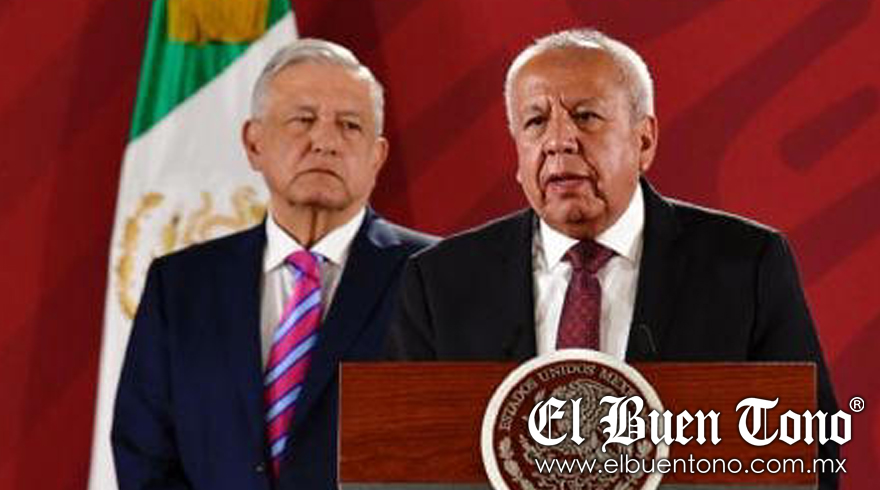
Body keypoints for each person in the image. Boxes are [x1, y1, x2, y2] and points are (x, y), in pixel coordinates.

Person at [386, 29, 838, 488]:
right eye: (536, 121)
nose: (559, 141)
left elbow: (810, 456)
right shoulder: (440, 281)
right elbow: (401, 465)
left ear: (644, 140)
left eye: (585, 116)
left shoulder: (745, 265)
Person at [112, 39, 434, 490]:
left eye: (350, 125)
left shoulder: (437, 278)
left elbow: (450, 459)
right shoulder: (180, 287)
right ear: (254, 143)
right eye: (303, 120)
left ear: (377, 156)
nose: (325, 141)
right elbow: (144, 457)